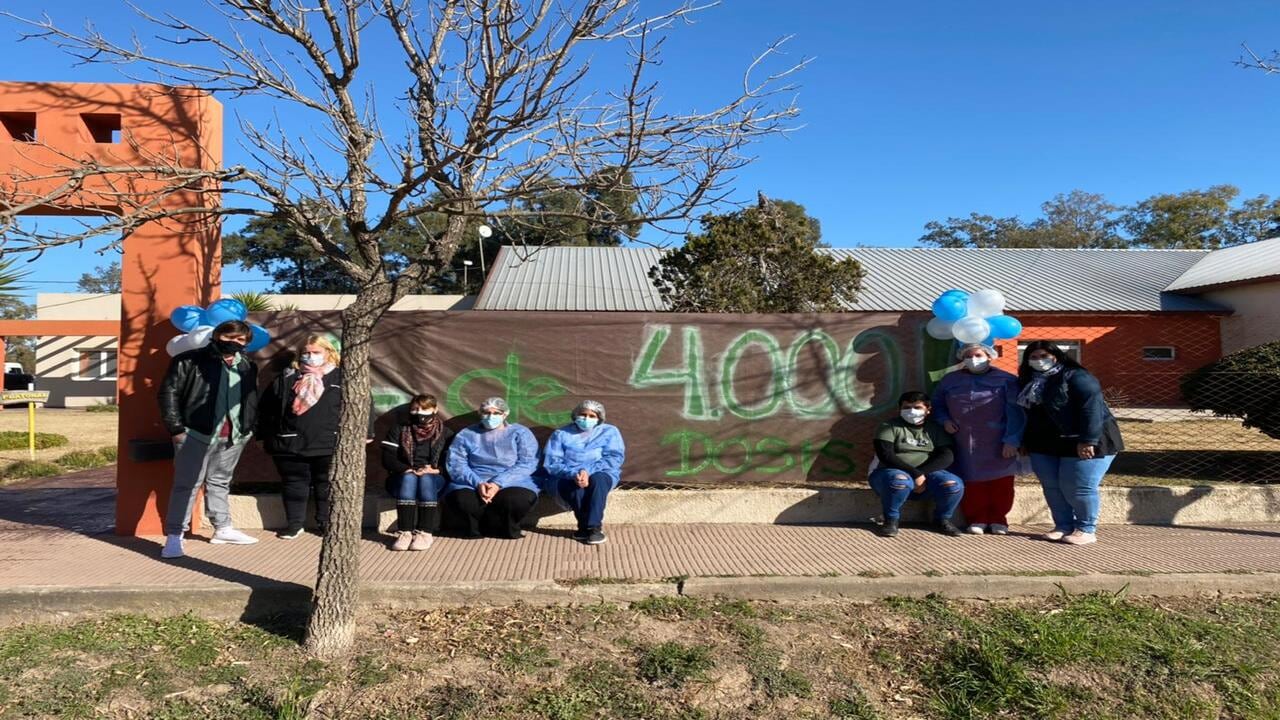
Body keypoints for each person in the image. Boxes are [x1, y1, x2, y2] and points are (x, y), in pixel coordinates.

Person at [157, 319, 261, 558]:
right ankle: (174, 536)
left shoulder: (247, 364)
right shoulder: (188, 360)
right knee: (187, 484)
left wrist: (249, 427)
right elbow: (168, 393)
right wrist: (176, 429)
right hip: (195, 433)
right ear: (216, 335)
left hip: (234, 434)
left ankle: (223, 528)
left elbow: (251, 396)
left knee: (220, 481)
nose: (233, 342)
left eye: (240, 339)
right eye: (228, 337)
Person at [1017, 340, 1124, 546]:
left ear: (1057, 356)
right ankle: (1063, 526)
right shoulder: (1028, 381)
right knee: (1052, 485)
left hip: (1086, 438)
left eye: (1044, 356)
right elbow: (1027, 414)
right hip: (1046, 441)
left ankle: (1086, 528)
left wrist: (1088, 440)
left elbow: (1091, 409)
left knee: (1078, 486)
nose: (1039, 361)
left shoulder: (1078, 377)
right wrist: (1024, 440)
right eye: (1034, 357)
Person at [256, 334, 346, 540]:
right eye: (306, 353)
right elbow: (266, 409)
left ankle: (325, 522)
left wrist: (366, 434)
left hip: (328, 442)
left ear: (329, 353)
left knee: (326, 484)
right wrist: (262, 436)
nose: (311, 356)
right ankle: (294, 524)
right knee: (294, 483)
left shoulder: (341, 377)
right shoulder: (287, 377)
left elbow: (361, 406)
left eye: (316, 352)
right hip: (290, 442)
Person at [931, 342, 1026, 535]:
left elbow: (1016, 412)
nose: (973, 360)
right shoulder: (950, 380)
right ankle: (977, 518)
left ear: (990, 356)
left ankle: (999, 519)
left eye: (978, 355)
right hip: (965, 440)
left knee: (1002, 481)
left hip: (998, 439)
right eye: (969, 356)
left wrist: (1012, 439)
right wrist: (945, 420)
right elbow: (937, 403)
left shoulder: (1006, 380)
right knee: (972, 479)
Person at [869, 391, 964, 538]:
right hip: (888, 474)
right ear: (899, 409)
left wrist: (921, 474)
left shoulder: (936, 429)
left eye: (917, 407)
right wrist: (915, 474)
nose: (911, 411)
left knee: (952, 485)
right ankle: (891, 520)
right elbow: (886, 455)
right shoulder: (888, 426)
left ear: (928, 410)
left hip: (927, 475)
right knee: (899, 480)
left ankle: (942, 519)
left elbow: (947, 456)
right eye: (906, 407)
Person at [443, 397, 540, 539]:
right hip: (473, 479)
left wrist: (498, 483)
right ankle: (475, 530)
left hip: (513, 480)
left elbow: (528, 462)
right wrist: (478, 483)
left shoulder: (520, 433)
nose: (490, 417)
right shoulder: (467, 434)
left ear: (505, 414)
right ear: (480, 414)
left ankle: (505, 529)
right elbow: (456, 463)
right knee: (463, 500)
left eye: (496, 413)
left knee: (515, 500)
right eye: (486, 412)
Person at [541, 400, 625, 545]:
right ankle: (584, 527)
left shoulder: (609, 431)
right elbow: (552, 463)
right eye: (583, 415)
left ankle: (593, 528)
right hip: (566, 473)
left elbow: (614, 457)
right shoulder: (561, 434)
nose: (586, 419)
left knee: (598, 481)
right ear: (575, 415)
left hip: (601, 470)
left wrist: (588, 471)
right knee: (576, 487)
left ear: (599, 418)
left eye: (592, 416)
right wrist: (575, 474)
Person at [380, 394, 454, 551]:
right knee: (409, 479)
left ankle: (425, 532)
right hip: (401, 478)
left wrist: (435, 470)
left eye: (424, 409)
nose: (419, 412)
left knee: (426, 478)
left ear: (435, 410)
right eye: (415, 409)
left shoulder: (446, 433)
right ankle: (405, 532)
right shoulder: (399, 429)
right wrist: (408, 469)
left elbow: (451, 462)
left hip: (434, 479)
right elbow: (388, 459)